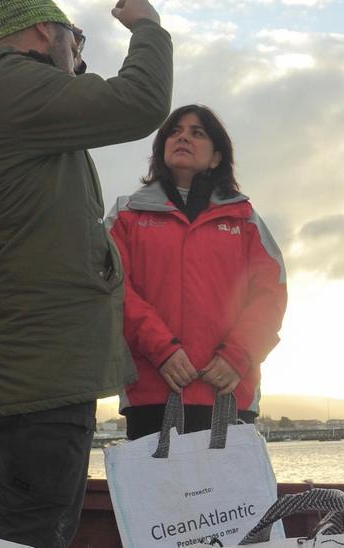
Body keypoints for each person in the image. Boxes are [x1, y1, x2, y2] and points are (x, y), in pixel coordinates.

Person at [0, 0, 171, 545]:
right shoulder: (11, 87)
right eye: (75, 40)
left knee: (25, 524)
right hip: (43, 362)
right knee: (36, 531)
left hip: (28, 357)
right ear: (40, 29)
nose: (78, 57)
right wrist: (148, 27)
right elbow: (140, 101)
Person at [107, 104, 287, 440]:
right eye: (174, 131)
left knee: (230, 495)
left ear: (217, 157)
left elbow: (270, 293)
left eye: (197, 132)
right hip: (152, 394)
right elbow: (114, 289)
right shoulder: (126, 217)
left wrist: (237, 356)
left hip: (228, 392)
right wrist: (162, 351)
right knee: (159, 493)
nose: (183, 137)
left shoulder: (244, 219)